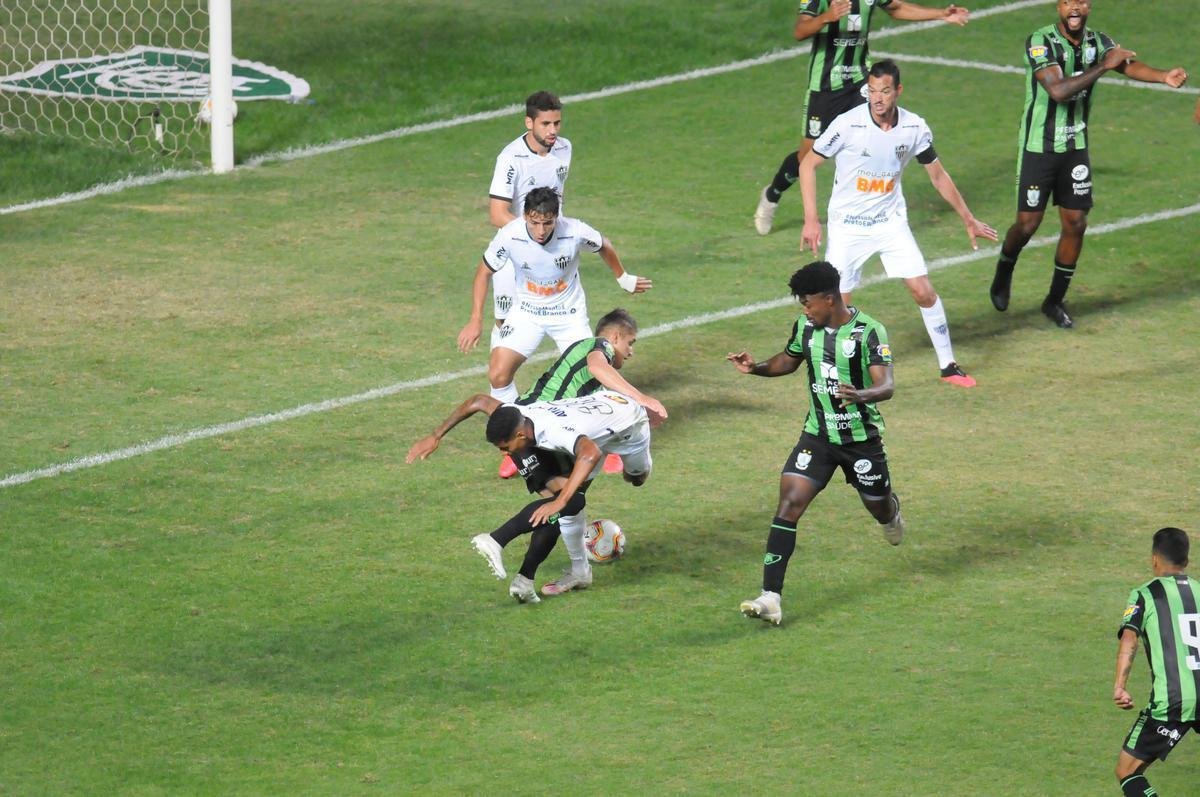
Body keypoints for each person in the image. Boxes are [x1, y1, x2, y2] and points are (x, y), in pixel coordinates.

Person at [411, 309, 666, 596]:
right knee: (565, 502)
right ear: (616, 336)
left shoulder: (573, 364)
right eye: (630, 343)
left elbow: (480, 400)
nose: (630, 352)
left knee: (568, 502)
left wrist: (435, 435)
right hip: (540, 434)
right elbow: (597, 368)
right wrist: (642, 397)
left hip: (533, 423)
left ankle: (529, 579)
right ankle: (500, 544)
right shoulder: (601, 347)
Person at [989, 0, 1189, 329]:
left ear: (1089, 6)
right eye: (1068, 2)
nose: (1075, 8)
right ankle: (1004, 269)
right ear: (1059, 6)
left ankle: (1054, 301)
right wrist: (1103, 67)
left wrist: (1162, 76)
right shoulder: (1040, 42)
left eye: (1081, 2)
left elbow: (1127, 65)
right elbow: (1057, 91)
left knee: (1076, 223)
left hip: (1075, 147)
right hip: (1039, 147)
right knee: (1026, 225)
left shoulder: (1099, 42)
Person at [798, 59, 996, 387]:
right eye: (872, 91)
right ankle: (826, 371)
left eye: (884, 91)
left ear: (898, 91)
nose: (877, 98)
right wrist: (810, 219)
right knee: (836, 305)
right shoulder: (847, 125)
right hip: (848, 226)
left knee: (923, 291)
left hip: (890, 223)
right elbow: (808, 165)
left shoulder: (914, 128)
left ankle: (948, 365)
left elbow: (937, 175)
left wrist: (968, 218)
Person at [727, 261, 904, 627]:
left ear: (829, 298)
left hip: (861, 442)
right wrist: (755, 367)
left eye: (809, 303)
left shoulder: (869, 331)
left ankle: (891, 512)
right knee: (789, 503)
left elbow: (886, 385)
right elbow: (789, 361)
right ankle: (771, 597)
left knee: (880, 510)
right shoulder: (806, 327)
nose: (805, 310)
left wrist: (863, 395)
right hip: (818, 436)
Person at [408, 390, 653, 603]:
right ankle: (555, 574)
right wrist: (435, 435)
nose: (504, 454)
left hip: (629, 427)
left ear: (520, 436)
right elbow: (479, 401)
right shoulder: (515, 414)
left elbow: (589, 453)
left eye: (505, 448)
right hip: (595, 428)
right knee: (571, 501)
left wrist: (559, 501)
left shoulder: (553, 431)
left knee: (635, 479)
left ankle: (503, 546)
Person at [753, 0, 971, 236]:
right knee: (807, 157)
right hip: (825, 88)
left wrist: (941, 14)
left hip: (860, 82)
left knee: (875, 135)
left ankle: (874, 210)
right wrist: (827, 16)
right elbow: (800, 30)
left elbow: (895, 8)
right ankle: (772, 194)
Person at [457, 186, 651, 403]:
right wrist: (475, 319)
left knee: (589, 375)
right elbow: (484, 272)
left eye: (548, 223)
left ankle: (596, 424)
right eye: (535, 223)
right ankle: (517, 425)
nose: (541, 231)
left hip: (568, 315)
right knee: (498, 374)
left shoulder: (574, 231)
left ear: (557, 218)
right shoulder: (510, 235)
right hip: (527, 313)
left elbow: (604, 244)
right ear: (525, 216)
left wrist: (623, 277)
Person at [1112, 527, 1199, 797]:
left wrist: (1120, 686)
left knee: (1127, 770)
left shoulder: (1145, 594)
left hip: (1173, 699)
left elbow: (1130, 640)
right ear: (1186, 561)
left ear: (1154, 558)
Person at [487, 91, 572, 345]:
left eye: (556, 123)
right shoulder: (510, 159)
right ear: (529, 123)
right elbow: (497, 214)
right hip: (515, 251)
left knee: (566, 317)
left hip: (553, 248)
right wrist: (536, 234)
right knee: (506, 322)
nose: (552, 130)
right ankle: (498, 385)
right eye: (545, 124)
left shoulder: (565, 148)